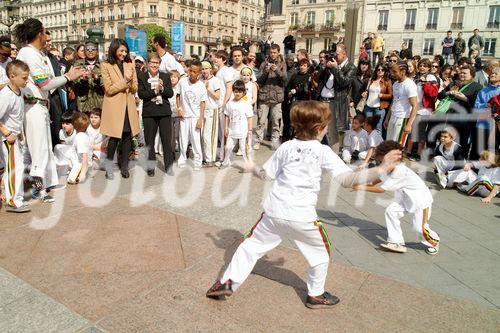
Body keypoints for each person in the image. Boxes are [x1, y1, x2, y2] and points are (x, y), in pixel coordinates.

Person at [206, 100, 402, 307]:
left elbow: (266, 175)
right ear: (319, 129)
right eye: (327, 124)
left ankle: (226, 283)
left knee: (250, 247)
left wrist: (251, 167)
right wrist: (381, 169)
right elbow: (347, 180)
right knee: (320, 253)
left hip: (274, 212)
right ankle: (315, 294)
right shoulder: (324, 151)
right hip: (302, 217)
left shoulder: (286, 147)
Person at [14, 18, 83, 202]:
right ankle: (38, 189)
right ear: (39, 34)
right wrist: (68, 77)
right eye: (45, 32)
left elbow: (50, 81)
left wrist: (67, 77)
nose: (46, 36)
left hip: (42, 106)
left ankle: (44, 185)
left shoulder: (39, 54)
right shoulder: (28, 53)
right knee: (38, 149)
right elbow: (44, 84)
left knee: (45, 148)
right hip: (33, 106)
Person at [353, 140, 440, 255]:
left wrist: (360, 188)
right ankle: (396, 242)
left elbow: (381, 190)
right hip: (405, 199)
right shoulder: (389, 168)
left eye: (382, 160)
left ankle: (434, 241)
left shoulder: (400, 171)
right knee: (391, 211)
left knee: (419, 228)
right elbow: (374, 182)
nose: (380, 163)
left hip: (421, 202)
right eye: (380, 161)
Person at [100, 38, 140, 179]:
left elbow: (135, 87)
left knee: (128, 135)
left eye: (125, 51)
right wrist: (125, 80)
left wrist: (131, 78)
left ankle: (124, 165)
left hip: (128, 105)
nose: (124, 53)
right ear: (114, 50)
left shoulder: (130, 64)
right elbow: (109, 89)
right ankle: (109, 166)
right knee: (114, 137)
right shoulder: (106, 65)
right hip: (114, 106)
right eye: (121, 51)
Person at [0, 60, 30, 213]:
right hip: (7, 138)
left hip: (15, 136)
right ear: (12, 76)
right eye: (24, 78)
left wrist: (20, 132)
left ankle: (10, 196)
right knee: (15, 167)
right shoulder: (5, 95)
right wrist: (7, 133)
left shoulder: (19, 91)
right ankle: (13, 200)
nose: (26, 80)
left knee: (13, 167)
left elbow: (17, 115)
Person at [137, 53, 174, 176]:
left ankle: (169, 166)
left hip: (164, 112)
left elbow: (170, 93)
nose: (154, 65)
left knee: (166, 141)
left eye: (157, 63)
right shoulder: (142, 76)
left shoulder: (165, 76)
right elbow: (142, 94)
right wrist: (155, 91)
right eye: (152, 62)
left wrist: (162, 89)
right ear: (147, 63)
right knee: (149, 142)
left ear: (159, 64)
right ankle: (151, 167)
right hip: (149, 112)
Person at [436, 64, 483, 154]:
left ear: (472, 75)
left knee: (461, 145)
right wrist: (449, 92)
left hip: (465, 122)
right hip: (449, 119)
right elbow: (440, 96)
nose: (462, 75)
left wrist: (465, 99)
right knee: (447, 143)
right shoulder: (454, 83)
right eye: (461, 72)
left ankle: (459, 165)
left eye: (465, 73)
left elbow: (478, 105)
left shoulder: (477, 87)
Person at [317, 44, 357, 148]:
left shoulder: (351, 67)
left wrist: (334, 69)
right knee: (319, 129)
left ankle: (334, 155)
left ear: (344, 54)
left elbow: (344, 82)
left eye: (337, 54)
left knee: (334, 132)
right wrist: (326, 66)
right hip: (322, 102)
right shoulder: (332, 65)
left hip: (335, 103)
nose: (335, 56)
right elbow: (319, 79)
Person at [175, 60, 207, 170]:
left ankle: (198, 161)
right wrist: (179, 109)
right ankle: (182, 158)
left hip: (195, 116)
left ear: (199, 73)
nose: (191, 73)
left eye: (194, 71)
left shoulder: (201, 86)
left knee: (195, 140)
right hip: (184, 116)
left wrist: (200, 119)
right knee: (183, 139)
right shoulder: (182, 82)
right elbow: (178, 95)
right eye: (190, 70)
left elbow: (203, 103)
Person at [255, 44, 287, 150]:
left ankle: (274, 140)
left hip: (276, 98)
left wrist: (277, 70)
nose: (272, 54)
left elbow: (285, 78)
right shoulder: (264, 63)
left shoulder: (282, 63)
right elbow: (258, 79)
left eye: (274, 52)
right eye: (271, 52)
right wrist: (266, 72)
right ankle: (258, 140)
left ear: (278, 52)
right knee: (261, 121)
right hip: (264, 96)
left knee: (276, 121)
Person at [406, 58, 439, 162]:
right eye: (420, 65)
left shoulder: (431, 77)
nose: (422, 67)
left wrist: (425, 83)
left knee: (419, 132)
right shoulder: (416, 77)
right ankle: (408, 151)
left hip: (424, 110)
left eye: (424, 66)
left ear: (429, 68)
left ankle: (418, 153)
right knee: (411, 130)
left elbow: (433, 94)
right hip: (414, 108)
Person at [220, 80, 254, 168]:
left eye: (240, 92)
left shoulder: (246, 104)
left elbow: (250, 117)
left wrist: (249, 130)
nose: (237, 93)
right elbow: (227, 116)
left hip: (243, 131)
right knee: (228, 147)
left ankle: (248, 165)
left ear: (243, 92)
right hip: (232, 130)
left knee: (244, 148)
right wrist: (226, 128)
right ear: (233, 91)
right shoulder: (229, 104)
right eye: (235, 91)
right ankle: (225, 162)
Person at [383, 61, 418, 147]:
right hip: (393, 117)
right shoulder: (395, 84)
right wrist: (387, 118)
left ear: (403, 72)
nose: (392, 74)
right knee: (389, 143)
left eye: (395, 72)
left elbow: (415, 106)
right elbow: (394, 102)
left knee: (397, 146)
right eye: (392, 71)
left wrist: (409, 124)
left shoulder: (410, 85)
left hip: (403, 118)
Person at [471, 65, 500, 160]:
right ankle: (473, 171)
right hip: (482, 124)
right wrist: (485, 105)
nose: (492, 75)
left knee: (493, 151)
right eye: (491, 73)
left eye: (496, 73)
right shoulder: (483, 91)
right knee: (478, 150)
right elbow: (476, 107)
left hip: (497, 125)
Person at [73, 41, 104, 114]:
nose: (90, 51)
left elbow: (108, 80)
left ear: (97, 51)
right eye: (87, 49)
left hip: (99, 101)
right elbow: (73, 79)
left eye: (93, 49)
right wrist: (82, 80)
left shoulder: (103, 64)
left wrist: (98, 79)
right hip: (83, 101)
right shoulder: (78, 63)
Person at [200, 60, 221, 167]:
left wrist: (208, 88)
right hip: (201, 110)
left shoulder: (215, 80)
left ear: (210, 69)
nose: (204, 71)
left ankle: (210, 159)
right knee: (202, 135)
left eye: (206, 68)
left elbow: (217, 96)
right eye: (202, 69)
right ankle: (204, 157)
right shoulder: (199, 80)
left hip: (212, 110)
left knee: (209, 136)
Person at [362, 63, 392, 133]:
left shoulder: (387, 81)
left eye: (382, 70)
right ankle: (368, 143)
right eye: (378, 69)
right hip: (368, 107)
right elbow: (367, 91)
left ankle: (377, 144)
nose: (380, 71)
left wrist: (383, 95)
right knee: (368, 127)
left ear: (385, 71)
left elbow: (391, 95)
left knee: (378, 128)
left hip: (379, 108)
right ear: (376, 70)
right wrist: (365, 93)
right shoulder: (371, 80)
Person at [67, 112, 91, 184]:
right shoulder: (84, 135)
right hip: (82, 163)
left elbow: (85, 155)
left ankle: (77, 175)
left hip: (79, 165)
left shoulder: (80, 137)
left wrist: (82, 174)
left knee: (70, 180)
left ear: (73, 125)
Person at [168, 70, 182, 154]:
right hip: (169, 114)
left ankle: (183, 150)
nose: (172, 79)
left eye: (174, 77)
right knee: (171, 135)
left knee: (179, 134)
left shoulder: (180, 88)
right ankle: (171, 151)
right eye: (171, 77)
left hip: (178, 114)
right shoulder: (167, 88)